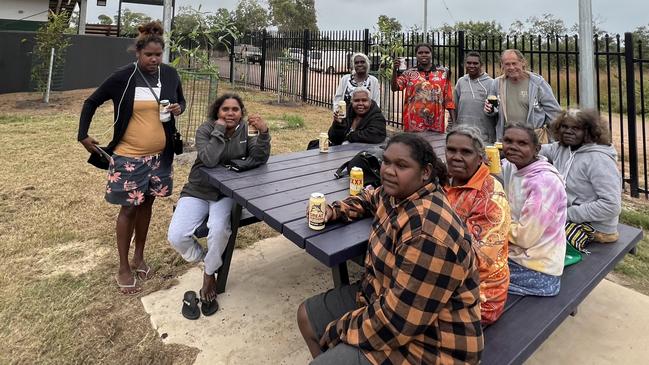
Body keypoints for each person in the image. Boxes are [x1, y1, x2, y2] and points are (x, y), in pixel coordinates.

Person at [297, 133, 483, 364]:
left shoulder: (429, 233)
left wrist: (338, 330)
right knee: (307, 315)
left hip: (433, 342)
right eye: (386, 161)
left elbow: (398, 323)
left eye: (401, 165)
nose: (388, 171)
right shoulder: (396, 193)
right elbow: (369, 198)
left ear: (425, 172)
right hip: (382, 295)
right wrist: (334, 210)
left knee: (328, 347)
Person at [77, 21, 185, 294]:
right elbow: (91, 101)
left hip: (160, 158)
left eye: (158, 55)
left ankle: (139, 256)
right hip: (129, 157)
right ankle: (123, 266)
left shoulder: (170, 75)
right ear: (138, 53)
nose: (154, 60)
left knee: (147, 206)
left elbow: (181, 102)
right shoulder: (123, 77)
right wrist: (83, 135)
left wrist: (177, 108)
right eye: (148, 55)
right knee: (128, 209)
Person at [168, 93, 271, 316]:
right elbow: (209, 159)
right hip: (198, 188)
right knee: (176, 236)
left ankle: (208, 275)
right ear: (217, 112)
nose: (230, 113)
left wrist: (264, 133)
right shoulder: (206, 129)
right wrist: (219, 130)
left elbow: (259, 157)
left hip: (226, 193)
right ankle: (208, 261)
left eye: (235, 109)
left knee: (219, 230)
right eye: (225, 109)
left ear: (241, 112)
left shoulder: (246, 130)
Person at [444, 125, 511, 325]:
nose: (456, 157)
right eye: (451, 150)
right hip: (447, 281)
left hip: (478, 296)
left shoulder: (490, 196)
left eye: (465, 152)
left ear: (480, 158)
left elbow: (476, 259)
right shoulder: (444, 180)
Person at [501, 122, 567, 296]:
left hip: (536, 271)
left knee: (464, 272)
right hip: (516, 256)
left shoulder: (544, 182)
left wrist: (491, 226)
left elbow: (524, 238)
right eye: (508, 141)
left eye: (522, 143)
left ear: (537, 149)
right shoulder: (512, 166)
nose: (513, 147)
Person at [542, 109, 622, 244]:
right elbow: (537, 149)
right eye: (564, 126)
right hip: (566, 216)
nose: (568, 131)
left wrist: (567, 214)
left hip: (595, 227)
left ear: (589, 131)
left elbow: (611, 205)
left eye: (576, 128)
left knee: (539, 238)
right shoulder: (563, 148)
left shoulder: (599, 159)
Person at [391, 43, 455, 159]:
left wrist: (454, 124)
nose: (423, 55)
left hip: (436, 125)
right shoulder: (409, 73)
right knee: (413, 155)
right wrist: (394, 71)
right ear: (416, 55)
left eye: (426, 52)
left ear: (431, 54)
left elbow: (448, 99)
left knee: (434, 155)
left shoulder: (443, 72)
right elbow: (395, 87)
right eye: (420, 53)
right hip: (413, 125)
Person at [484, 49, 561, 142]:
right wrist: (489, 110)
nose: (511, 67)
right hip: (508, 139)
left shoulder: (537, 83)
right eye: (507, 64)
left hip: (533, 139)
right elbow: (492, 111)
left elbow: (554, 114)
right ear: (502, 65)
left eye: (514, 63)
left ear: (522, 62)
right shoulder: (497, 83)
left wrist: (556, 139)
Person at [454, 51, 497, 144]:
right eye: (469, 63)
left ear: (481, 65)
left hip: (483, 137)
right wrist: (452, 128)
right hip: (463, 134)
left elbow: (495, 111)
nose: (472, 66)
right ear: (464, 64)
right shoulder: (461, 82)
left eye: (475, 63)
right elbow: (454, 108)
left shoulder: (491, 83)